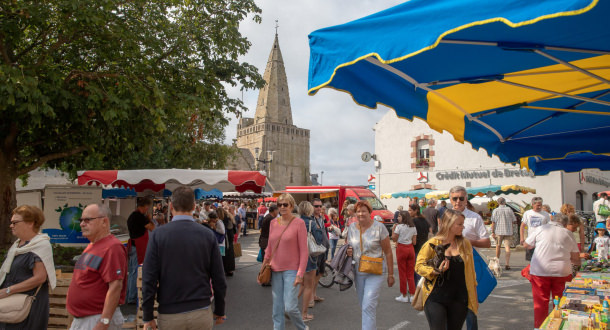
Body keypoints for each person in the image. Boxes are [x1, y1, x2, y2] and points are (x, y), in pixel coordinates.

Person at [142, 186, 227, 330]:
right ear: (194, 206)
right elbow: (219, 277)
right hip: (200, 310)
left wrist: (148, 315)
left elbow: (149, 278)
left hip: (170, 313)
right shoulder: (207, 235)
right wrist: (219, 310)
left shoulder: (159, 235)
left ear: (171, 206)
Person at [67, 203, 127, 329]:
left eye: (87, 220)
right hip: (85, 319)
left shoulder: (112, 247)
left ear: (104, 221)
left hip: (96, 319)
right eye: (81, 220)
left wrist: (104, 321)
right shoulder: (93, 245)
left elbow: (115, 286)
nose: (82, 224)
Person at [415, 209, 478, 330]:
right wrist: (435, 271)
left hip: (459, 298)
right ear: (449, 224)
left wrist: (474, 298)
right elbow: (419, 266)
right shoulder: (432, 243)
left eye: (462, 224)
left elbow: (471, 273)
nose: (463, 227)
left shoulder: (465, 244)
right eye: (459, 224)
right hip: (435, 297)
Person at [0, 205, 56, 329]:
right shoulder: (16, 246)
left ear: (30, 223)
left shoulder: (41, 245)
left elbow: (40, 278)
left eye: (15, 222)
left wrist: (8, 290)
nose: (11, 226)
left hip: (28, 307)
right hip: (9, 306)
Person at [523, 213, 580, 328]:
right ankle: (558, 325)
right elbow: (575, 258)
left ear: (552, 219)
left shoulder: (541, 228)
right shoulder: (568, 233)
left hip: (540, 270)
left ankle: (539, 327)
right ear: (564, 224)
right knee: (559, 301)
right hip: (562, 271)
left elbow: (527, 245)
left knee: (540, 302)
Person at [260, 193, 308, 330]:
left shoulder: (299, 223)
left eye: (285, 204)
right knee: (277, 308)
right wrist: (262, 268)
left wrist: (300, 274)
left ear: (291, 206)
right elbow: (269, 248)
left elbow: (304, 251)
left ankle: (302, 328)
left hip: (292, 270)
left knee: (290, 308)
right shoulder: (273, 223)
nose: (282, 207)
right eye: (279, 205)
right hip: (275, 269)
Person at [346, 200, 394, 330]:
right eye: (358, 211)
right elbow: (348, 246)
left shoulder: (379, 227)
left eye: (363, 211)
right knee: (365, 306)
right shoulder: (351, 228)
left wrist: (391, 274)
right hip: (358, 271)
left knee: (368, 306)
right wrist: (348, 251)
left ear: (369, 212)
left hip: (375, 271)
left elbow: (388, 252)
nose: (361, 214)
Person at [449, 186, 490, 330]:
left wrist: (467, 241)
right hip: (449, 267)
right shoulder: (445, 217)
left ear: (466, 199)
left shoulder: (474, 217)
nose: (458, 201)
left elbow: (487, 242)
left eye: (461, 198)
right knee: (450, 307)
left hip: (469, 267)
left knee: (470, 309)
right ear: (450, 199)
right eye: (455, 198)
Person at [126, 197, 154, 304]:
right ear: (143, 207)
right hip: (138, 247)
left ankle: (129, 295)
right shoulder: (140, 217)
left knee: (132, 271)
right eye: (146, 208)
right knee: (135, 271)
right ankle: (132, 297)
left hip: (134, 245)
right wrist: (149, 218)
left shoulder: (132, 216)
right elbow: (152, 227)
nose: (147, 210)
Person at [298, 201, 320, 322]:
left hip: (297, 256)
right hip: (309, 257)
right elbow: (319, 239)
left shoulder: (295, 222)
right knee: (308, 286)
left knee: (300, 283)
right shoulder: (311, 223)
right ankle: (304, 314)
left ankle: (288, 307)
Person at [391, 210, 417, 303]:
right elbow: (414, 242)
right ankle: (413, 295)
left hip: (401, 248)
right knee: (410, 274)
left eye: (399, 216)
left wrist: (393, 230)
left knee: (402, 273)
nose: (398, 218)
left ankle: (404, 295)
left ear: (403, 218)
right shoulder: (413, 227)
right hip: (410, 249)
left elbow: (394, 238)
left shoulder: (399, 227)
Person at [520, 197, 551, 261]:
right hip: (531, 240)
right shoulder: (527, 213)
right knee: (531, 259)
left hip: (542, 240)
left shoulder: (545, 214)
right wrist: (522, 238)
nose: (539, 207)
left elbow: (549, 227)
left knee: (541, 259)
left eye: (540, 205)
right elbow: (522, 226)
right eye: (538, 205)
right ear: (532, 204)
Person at [311, 198, 329, 305]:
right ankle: (310, 297)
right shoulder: (311, 219)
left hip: (323, 248)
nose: (319, 208)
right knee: (314, 273)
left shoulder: (321, 218)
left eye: (320, 206)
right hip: (315, 250)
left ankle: (314, 294)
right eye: (316, 206)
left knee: (321, 272)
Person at [490, 197, 516, 270]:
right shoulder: (509, 210)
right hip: (508, 231)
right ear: (504, 202)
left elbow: (493, 222)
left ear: (498, 203)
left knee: (498, 246)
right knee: (507, 247)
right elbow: (514, 220)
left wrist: (492, 232)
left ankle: (497, 263)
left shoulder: (495, 210)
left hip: (498, 231)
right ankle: (507, 263)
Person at [217, 207, 235, 277]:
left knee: (225, 254)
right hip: (230, 238)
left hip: (226, 238)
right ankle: (229, 270)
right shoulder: (229, 216)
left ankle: (227, 269)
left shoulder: (224, 219)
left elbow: (222, 230)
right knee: (229, 253)